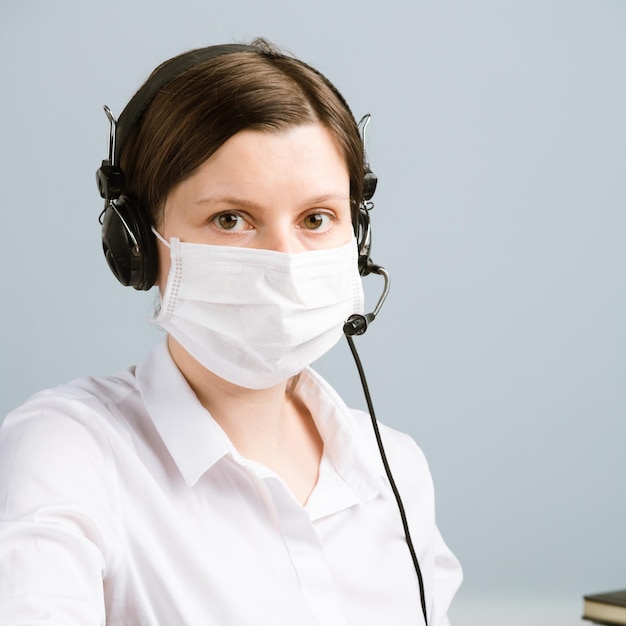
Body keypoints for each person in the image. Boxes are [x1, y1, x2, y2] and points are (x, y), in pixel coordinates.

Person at [0, 39, 462, 625]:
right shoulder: (71, 448)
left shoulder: (392, 466)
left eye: (316, 219)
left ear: (357, 238)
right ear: (137, 245)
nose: (284, 261)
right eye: (230, 220)